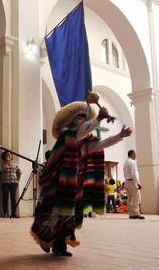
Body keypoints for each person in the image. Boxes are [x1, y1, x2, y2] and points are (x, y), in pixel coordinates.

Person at [31, 101, 132, 256]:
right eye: (80, 117)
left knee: (69, 214)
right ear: (71, 120)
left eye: (85, 118)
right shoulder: (67, 135)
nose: (83, 120)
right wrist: (98, 119)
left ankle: (60, 246)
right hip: (57, 183)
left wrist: (120, 136)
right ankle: (44, 238)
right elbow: (81, 132)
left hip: (73, 184)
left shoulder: (85, 142)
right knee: (50, 213)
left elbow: (103, 143)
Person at [123, 150, 145, 219]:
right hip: (132, 182)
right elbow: (134, 174)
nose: (136, 156)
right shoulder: (132, 162)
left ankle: (131, 214)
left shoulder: (126, 162)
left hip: (127, 181)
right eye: (135, 154)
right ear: (132, 154)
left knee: (130, 198)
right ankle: (136, 213)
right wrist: (138, 183)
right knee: (137, 197)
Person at [0, 151, 22, 218]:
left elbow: (19, 172)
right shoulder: (2, 164)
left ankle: (13, 213)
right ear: (4, 156)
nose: (8, 155)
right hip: (5, 183)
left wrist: (18, 181)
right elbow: (1, 170)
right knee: (5, 198)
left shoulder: (15, 163)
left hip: (13, 183)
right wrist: (6, 162)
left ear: (11, 156)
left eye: (9, 154)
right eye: (7, 155)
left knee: (13, 198)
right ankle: (5, 213)